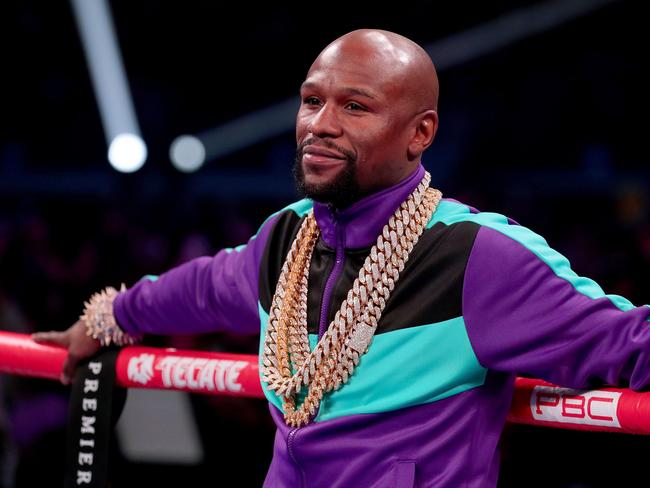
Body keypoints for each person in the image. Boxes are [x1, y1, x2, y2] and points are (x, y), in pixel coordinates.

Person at [34, 29, 650, 487]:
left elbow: (627, 340)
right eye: (311, 100)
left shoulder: (478, 257)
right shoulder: (285, 238)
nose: (319, 125)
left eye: (355, 107)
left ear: (420, 133)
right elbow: (195, 289)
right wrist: (106, 318)